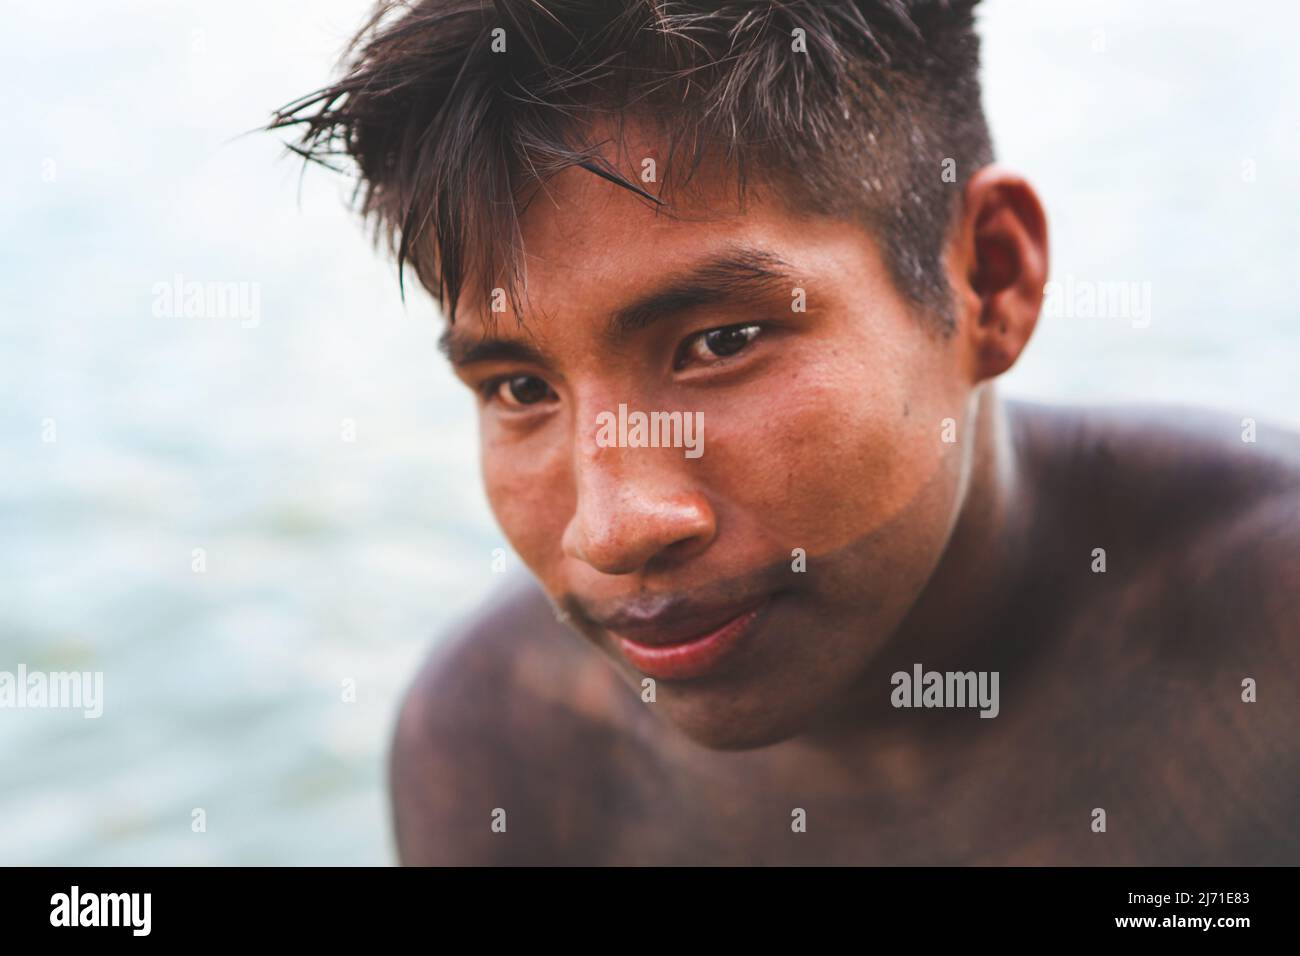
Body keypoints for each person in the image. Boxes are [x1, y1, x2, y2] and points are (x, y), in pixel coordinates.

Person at [272, 0, 1300, 864]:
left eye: (721, 340)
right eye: (518, 387)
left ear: (988, 277)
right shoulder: (502, 750)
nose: (616, 526)